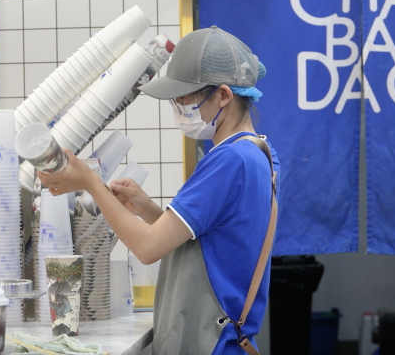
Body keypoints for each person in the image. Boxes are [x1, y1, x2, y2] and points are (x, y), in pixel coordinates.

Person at [39, 26, 280, 355]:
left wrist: (90, 182)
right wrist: (148, 209)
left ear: (224, 95)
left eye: (185, 97)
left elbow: (149, 249)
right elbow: (211, 241)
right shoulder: (259, 153)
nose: (178, 107)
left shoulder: (229, 161)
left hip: (211, 345)